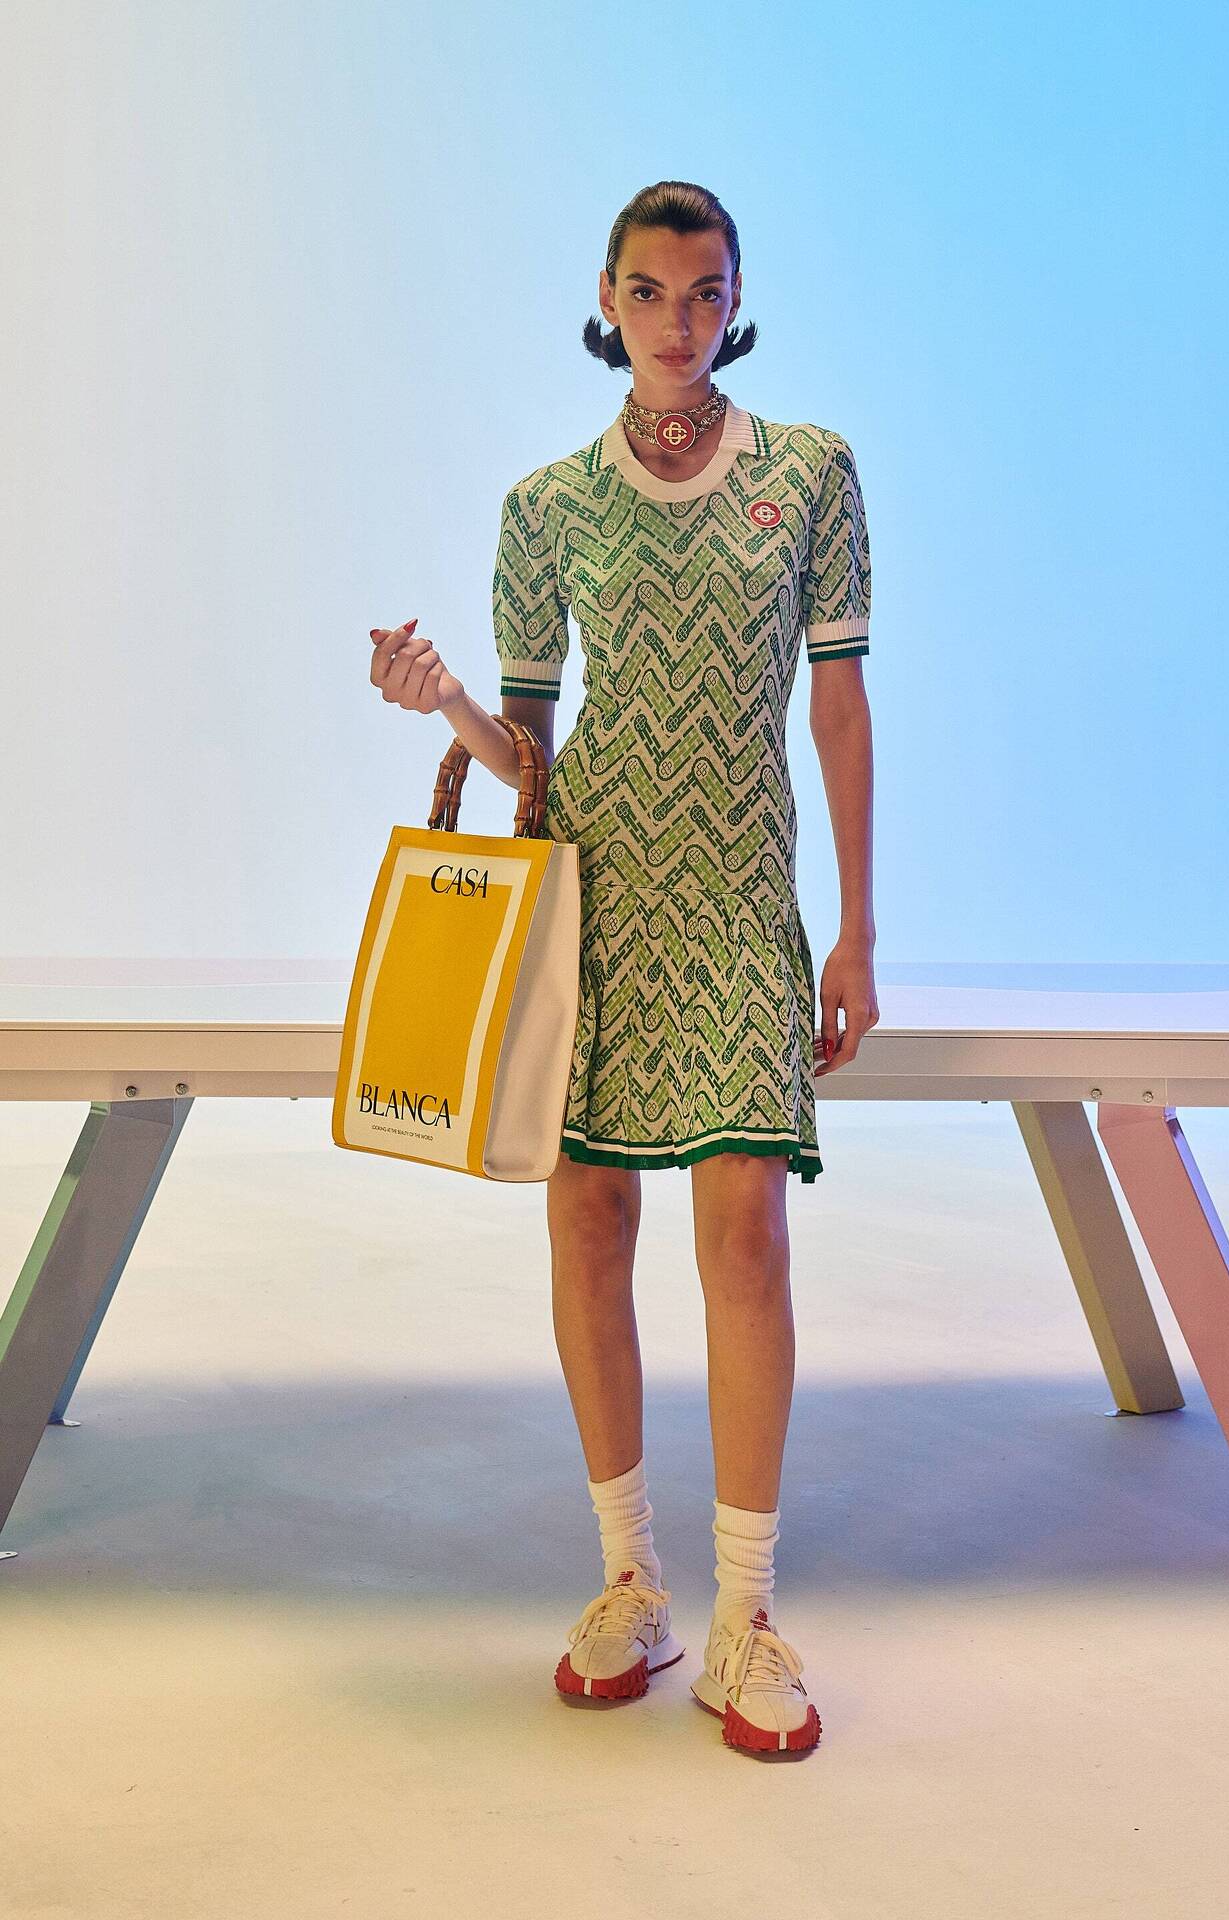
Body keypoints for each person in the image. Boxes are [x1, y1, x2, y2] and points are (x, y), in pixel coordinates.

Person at [369, 179, 878, 1756]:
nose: (678, 319)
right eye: (649, 291)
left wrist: (859, 926)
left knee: (746, 1231)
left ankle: (747, 1613)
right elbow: (529, 754)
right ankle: (631, 1583)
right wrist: (446, 704)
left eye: (705, 291)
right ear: (608, 298)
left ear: (737, 298)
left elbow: (838, 705)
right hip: (594, 894)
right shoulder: (549, 506)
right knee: (590, 1220)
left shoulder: (808, 473)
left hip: (737, 892)